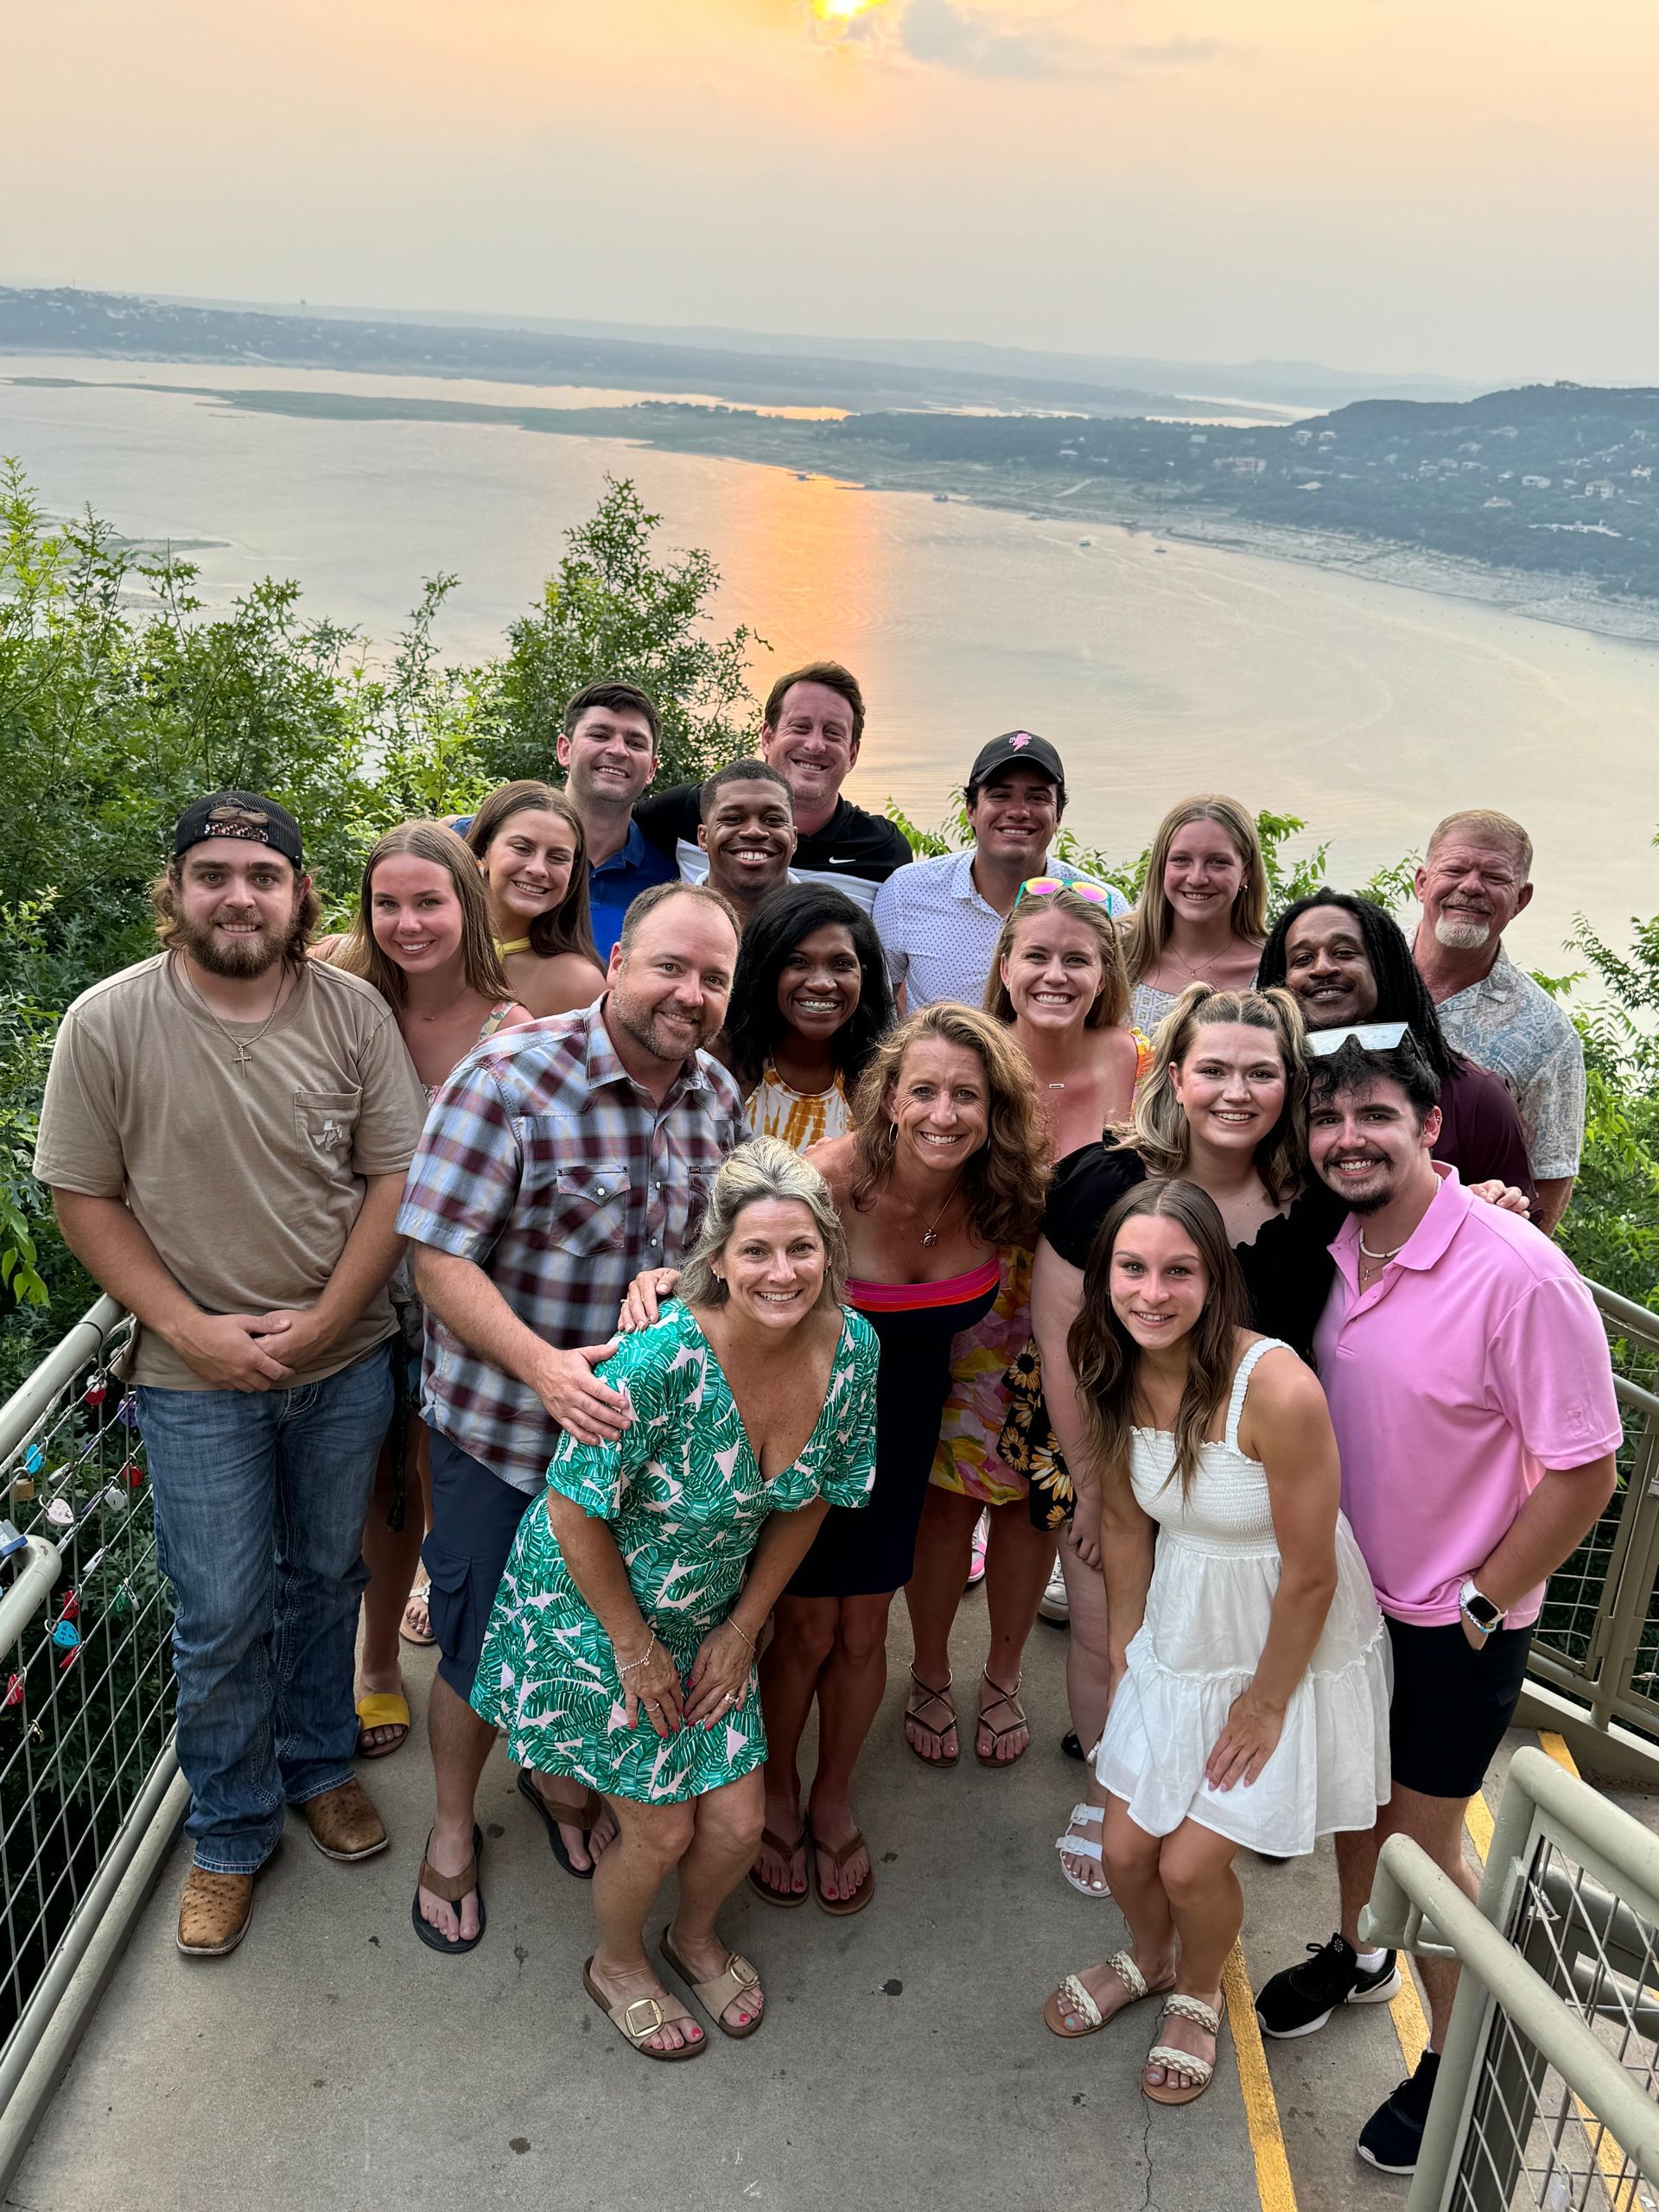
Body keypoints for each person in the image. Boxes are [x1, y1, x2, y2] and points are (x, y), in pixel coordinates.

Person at [34, 792, 429, 1958]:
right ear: (178, 890)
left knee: (322, 1577)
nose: (240, 894)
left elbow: (390, 1184)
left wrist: (326, 1323)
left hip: (342, 1359)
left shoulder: (353, 1015)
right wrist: (194, 1332)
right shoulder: (107, 1024)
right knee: (215, 1615)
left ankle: (317, 1768)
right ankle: (230, 1830)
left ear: (302, 894)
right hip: (191, 1376)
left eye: (263, 873)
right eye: (214, 873)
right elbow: (82, 1197)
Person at [1254, 1032, 1619, 2176]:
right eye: (1329, 1119)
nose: (1348, 1139)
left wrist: (1479, 1600)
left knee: (1426, 1842)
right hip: (1353, 1598)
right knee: (1360, 1806)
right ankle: (1360, 1952)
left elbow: (1587, 1469)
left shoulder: (1515, 1269)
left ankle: (1459, 2058)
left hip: (1452, 1619)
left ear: (1428, 1128)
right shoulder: (1343, 1243)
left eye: (1375, 1116)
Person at [619, 1002, 1048, 1910]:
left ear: (994, 1106)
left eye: (966, 1094)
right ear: (885, 1097)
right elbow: (736, 1262)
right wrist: (661, 1284)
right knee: (806, 1628)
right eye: (922, 1089)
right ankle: (775, 1790)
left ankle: (833, 1789)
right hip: (808, 1426)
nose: (943, 1112)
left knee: (865, 1629)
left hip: (907, 1435)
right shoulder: (827, 1182)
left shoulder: (1002, 1190)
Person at [469, 1141, 879, 2058]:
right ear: (719, 1261)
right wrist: (633, 1646)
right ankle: (616, 1961)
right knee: (660, 1829)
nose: (782, 1272)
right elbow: (574, 1513)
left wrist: (744, 1627)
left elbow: (813, 1493)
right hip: (588, 1604)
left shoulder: (853, 1348)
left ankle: (693, 1936)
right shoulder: (659, 1362)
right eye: (758, 1251)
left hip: (708, 1612)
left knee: (736, 1821)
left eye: (802, 1248)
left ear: (829, 1250)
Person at [396, 881, 745, 1950]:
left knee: (599, 1637)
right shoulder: (508, 1076)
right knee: (476, 1648)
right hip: (505, 1434)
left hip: (634, 1456)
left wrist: (684, 1280)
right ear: (619, 960)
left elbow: (718, 1252)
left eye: (714, 978)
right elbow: (435, 1254)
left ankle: (559, 1780)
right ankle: (452, 1829)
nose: (691, 994)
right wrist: (545, 1368)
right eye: (671, 967)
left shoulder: (717, 1095)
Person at [1042, 1181, 1389, 2107]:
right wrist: (1126, 1659)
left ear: (1215, 1277)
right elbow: (1121, 1525)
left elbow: (1312, 1571)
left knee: (1191, 1862)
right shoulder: (1108, 1362)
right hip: (1183, 1623)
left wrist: (1266, 1703)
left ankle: (1198, 1987)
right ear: (1105, 1274)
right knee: (1124, 1848)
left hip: (1285, 1637)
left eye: (1178, 1270)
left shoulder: (1274, 1386)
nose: (1151, 1292)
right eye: (1131, 1268)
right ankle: (1152, 1958)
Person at [903, 879, 1139, 1772]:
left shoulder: (1136, 1060)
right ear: (1004, 964)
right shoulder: (966, 1054)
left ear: (1103, 972)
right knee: (946, 1500)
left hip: (1084, 1329)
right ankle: (929, 1671)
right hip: (967, 1306)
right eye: (1035, 954)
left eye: (1077, 958)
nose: (1054, 973)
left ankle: (1001, 1675)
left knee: (1035, 1508)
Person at [319, 821, 536, 1757]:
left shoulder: (510, 1026)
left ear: (467, 905)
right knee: (369, 1481)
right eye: (388, 903)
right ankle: (371, 1664)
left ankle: (433, 1650)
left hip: (454, 1284)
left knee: (427, 1476)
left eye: (429, 901)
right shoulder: (338, 997)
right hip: (348, 1278)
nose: (408, 923)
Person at [1259, 887, 1534, 1203]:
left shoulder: (1476, 1098)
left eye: (1345, 953)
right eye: (1302, 959)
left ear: (1385, 967)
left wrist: (1489, 1210)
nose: (1322, 968)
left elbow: (1519, 1236)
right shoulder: (1265, 1094)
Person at [1410, 808, 1584, 1233]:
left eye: (1494, 878)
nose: (1471, 887)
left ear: (1521, 899)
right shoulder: (1352, 975)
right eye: (1455, 869)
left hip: (1448, 1262)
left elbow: (1550, 1177)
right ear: (1422, 882)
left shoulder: (1547, 1034)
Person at [872, 733, 1128, 1012]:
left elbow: (1116, 1013)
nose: (1018, 811)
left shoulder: (1103, 906)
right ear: (971, 810)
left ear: (1058, 816)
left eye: (1037, 797)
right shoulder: (907, 891)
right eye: (1000, 796)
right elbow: (880, 1005)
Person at [633, 660, 911, 914]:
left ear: (852, 754)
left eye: (833, 733)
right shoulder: (689, 810)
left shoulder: (882, 850)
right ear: (768, 737)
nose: (815, 745)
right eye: (800, 727)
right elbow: (606, 835)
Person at [726, 883, 893, 1150]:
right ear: (766, 971)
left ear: (863, 975)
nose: (822, 983)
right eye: (798, 962)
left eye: (841, 964)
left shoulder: (886, 1081)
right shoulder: (721, 1066)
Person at [1119, 798, 1267, 1037]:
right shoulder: (1118, 957)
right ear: (1161, 866)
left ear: (1246, 873)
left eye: (1218, 862)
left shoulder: (1273, 969)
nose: (1197, 878)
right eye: (1181, 860)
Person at [553, 680, 678, 960]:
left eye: (635, 743)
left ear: (651, 769)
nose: (619, 751)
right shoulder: (490, 844)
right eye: (599, 735)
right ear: (565, 750)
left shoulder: (671, 881)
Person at [463, 780, 606, 1019]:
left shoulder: (580, 983)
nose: (538, 869)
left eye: (558, 857)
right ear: (484, 851)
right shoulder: (430, 946)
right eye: (522, 848)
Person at [695, 758, 798, 930]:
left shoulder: (830, 925)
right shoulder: (665, 923)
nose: (754, 832)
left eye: (773, 819)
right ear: (703, 838)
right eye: (733, 819)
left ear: (794, 839)